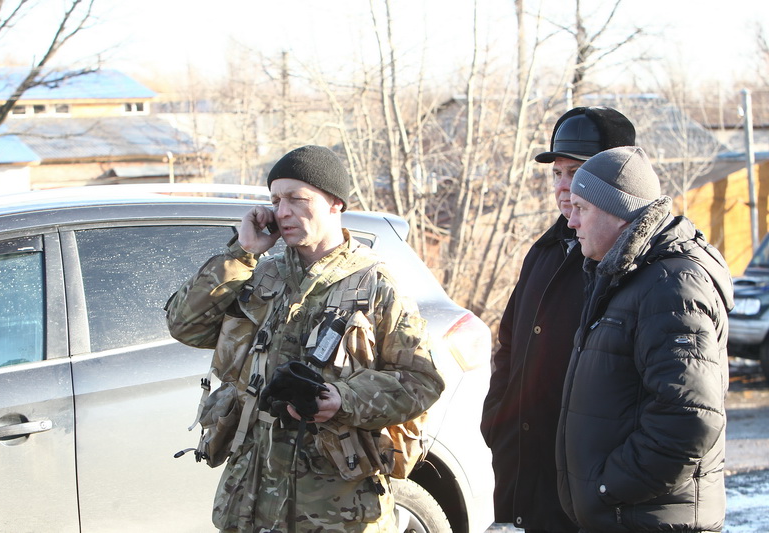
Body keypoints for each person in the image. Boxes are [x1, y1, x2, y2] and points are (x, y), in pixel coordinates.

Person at [166, 145, 445, 532]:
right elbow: (185, 325)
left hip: (335, 507)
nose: (282, 212)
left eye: (297, 199)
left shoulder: (375, 285)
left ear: (335, 203)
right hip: (252, 498)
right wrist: (242, 252)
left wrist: (342, 399)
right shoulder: (261, 275)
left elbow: (422, 381)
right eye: (275, 200)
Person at [556, 146, 733, 532]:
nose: (572, 221)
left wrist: (608, 488)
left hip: (649, 518)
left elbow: (690, 419)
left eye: (582, 208)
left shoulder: (671, 286)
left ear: (619, 213)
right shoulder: (624, 276)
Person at [480, 106, 636, 533]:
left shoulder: (636, 266)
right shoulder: (545, 251)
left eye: (578, 172)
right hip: (530, 484)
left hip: (597, 497)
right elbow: (509, 346)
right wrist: (498, 422)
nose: (565, 187)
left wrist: (611, 481)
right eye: (558, 174)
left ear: (618, 179)